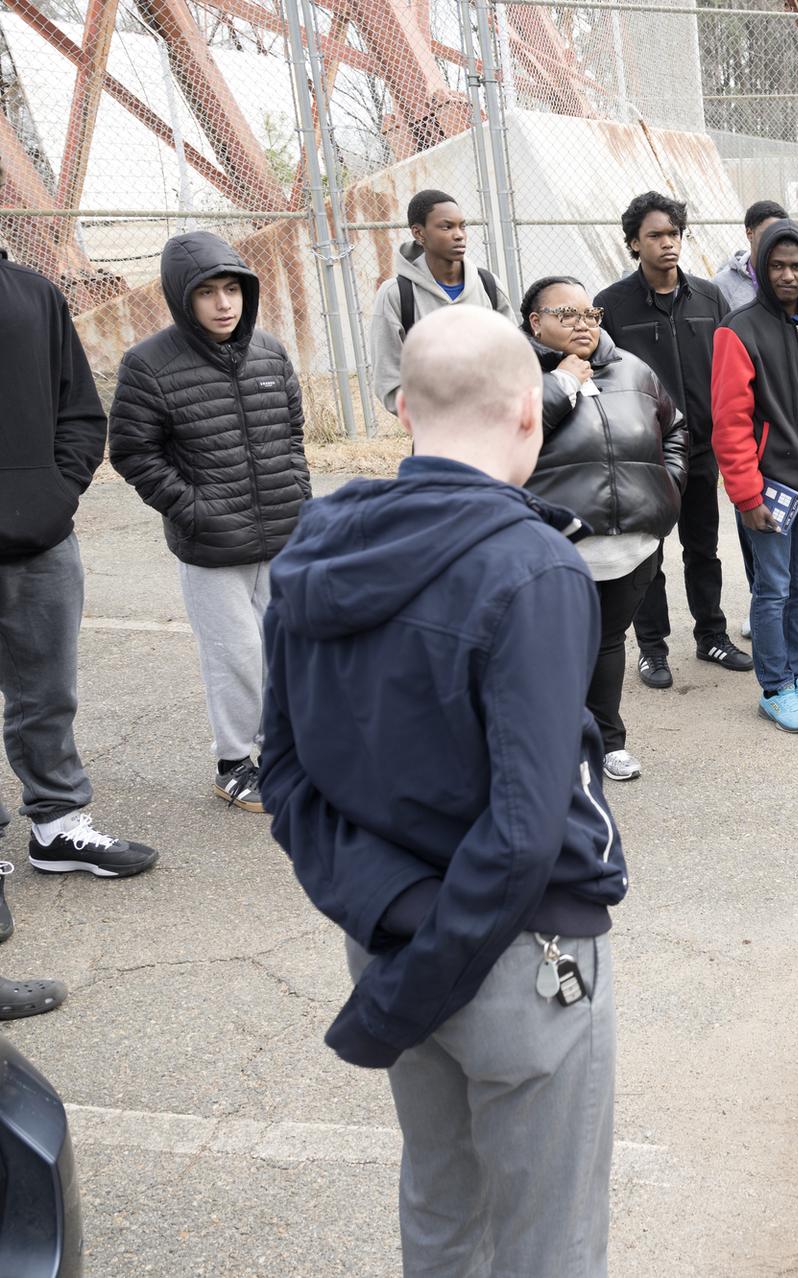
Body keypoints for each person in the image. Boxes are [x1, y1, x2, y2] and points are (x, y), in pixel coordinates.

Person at [259, 305, 625, 1276]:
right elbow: (523, 831)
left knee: (441, 1208)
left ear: (403, 410)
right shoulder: (535, 568)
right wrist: (428, 952)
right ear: (526, 413)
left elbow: (283, 774)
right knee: (549, 1243)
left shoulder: (318, 548)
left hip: (385, 936)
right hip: (514, 954)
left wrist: (399, 923)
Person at [0, 239, 156, 1018]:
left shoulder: (33, 293)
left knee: (46, 691)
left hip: (42, 540)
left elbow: (78, 408)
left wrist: (55, 496)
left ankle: (57, 829)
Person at [108, 231, 310, 813]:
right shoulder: (148, 364)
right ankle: (233, 765)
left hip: (281, 531)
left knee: (282, 650)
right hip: (210, 543)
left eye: (232, 289)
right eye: (207, 293)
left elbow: (292, 434)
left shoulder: (270, 352)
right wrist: (193, 508)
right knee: (235, 656)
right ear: (181, 298)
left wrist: (297, 493)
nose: (224, 304)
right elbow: (132, 452)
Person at [521, 276, 686, 782]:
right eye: (565, 315)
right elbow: (514, 433)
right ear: (536, 323)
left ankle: (607, 743)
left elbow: (676, 428)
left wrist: (668, 485)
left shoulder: (632, 370)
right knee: (558, 653)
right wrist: (563, 382)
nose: (582, 324)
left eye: (589, 314)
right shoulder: (518, 377)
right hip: (559, 550)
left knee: (609, 644)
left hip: (632, 548)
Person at [594, 191, 753, 691]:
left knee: (703, 548)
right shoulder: (612, 306)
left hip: (702, 450)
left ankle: (711, 635)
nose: (668, 244)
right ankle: (653, 649)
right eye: (655, 236)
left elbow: (731, 368)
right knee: (648, 556)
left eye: (674, 234)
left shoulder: (709, 298)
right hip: (645, 456)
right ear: (634, 244)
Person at [711, 219, 798, 734]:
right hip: (771, 491)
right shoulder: (738, 330)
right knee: (771, 590)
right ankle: (774, 689)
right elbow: (728, 423)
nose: (788, 275)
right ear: (761, 268)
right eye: (778, 265)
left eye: (797, 266)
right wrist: (747, 494)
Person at [367, 190, 514, 414]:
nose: (459, 235)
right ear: (419, 233)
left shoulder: (488, 285)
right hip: (435, 430)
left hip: (493, 424)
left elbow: (514, 354)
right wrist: (432, 414)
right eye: (446, 227)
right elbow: (388, 378)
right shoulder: (396, 294)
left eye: (462, 226)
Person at [715, 198, 789, 314]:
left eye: (780, 234)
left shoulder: (792, 279)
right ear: (750, 234)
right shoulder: (723, 285)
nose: (774, 240)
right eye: (767, 233)